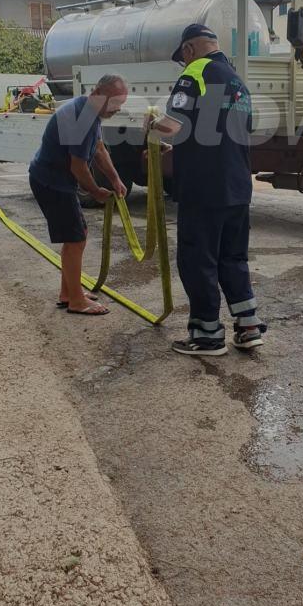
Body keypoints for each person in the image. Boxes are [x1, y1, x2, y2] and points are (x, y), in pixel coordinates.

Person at [149, 23, 266, 356]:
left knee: (198, 259)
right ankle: (248, 326)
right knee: (233, 258)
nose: (183, 65)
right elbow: (221, 134)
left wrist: (151, 126)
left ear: (188, 50)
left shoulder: (195, 71)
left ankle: (207, 335)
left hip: (204, 190)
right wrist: (181, 153)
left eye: (182, 58)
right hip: (237, 186)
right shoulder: (237, 81)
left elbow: (174, 125)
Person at [29, 74, 128, 316]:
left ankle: (68, 292)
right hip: (51, 181)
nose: (117, 110)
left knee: (77, 234)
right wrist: (96, 192)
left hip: (55, 178)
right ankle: (75, 300)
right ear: (98, 94)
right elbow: (79, 166)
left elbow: (99, 148)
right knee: (76, 239)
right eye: (114, 104)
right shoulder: (82, 118)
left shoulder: (90, 111)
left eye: (120, 105)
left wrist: (115, 179)